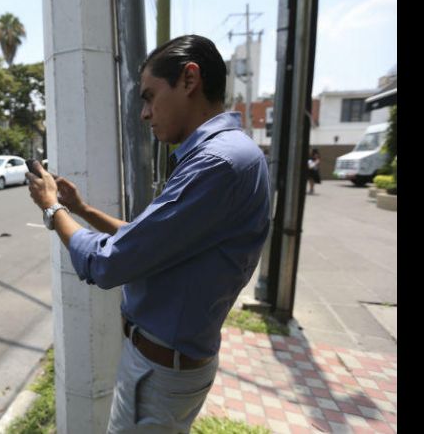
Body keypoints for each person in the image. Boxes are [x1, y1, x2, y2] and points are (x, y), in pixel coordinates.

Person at [26, 34, 271, 433]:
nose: (144, 113)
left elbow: (108, 262)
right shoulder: (231, 156)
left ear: (189, 79)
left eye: (149, 96)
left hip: (160, 372)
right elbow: (146, 242)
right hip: (165, 364)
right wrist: (82, 210)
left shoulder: (217, 164)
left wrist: (52, 209)